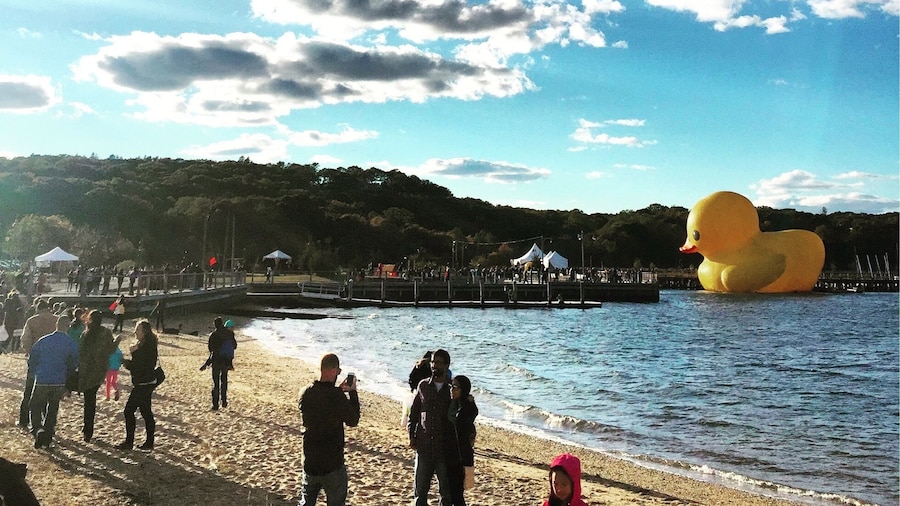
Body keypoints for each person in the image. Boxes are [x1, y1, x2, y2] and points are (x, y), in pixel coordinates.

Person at [298, 353, 360, 506]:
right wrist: (352, 392)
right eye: (338, 371)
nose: (338, 374)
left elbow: (322, 404)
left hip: (311, 460)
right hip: (331, 462)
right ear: (333, 370)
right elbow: (353, 419)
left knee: (307, 501)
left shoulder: (306, 393)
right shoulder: (335, 397)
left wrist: (338, 391)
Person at [408, 348, 454, 506]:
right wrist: (412, 435)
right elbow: (413, 414)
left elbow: (462, 419)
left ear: (447, 366)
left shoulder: (451, 391)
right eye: (433, 362)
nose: (435, 366)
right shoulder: (423, 386)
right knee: (420, 493)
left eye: (439, 363)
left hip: (444, 450)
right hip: (424, 446)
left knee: (446, 494)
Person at [27, 315, 79, 448]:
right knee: (52, 408)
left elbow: (32, 358)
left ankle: (37, 429)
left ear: (56, 325)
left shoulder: (43, 340)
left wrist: (35, 371)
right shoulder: (71, 343)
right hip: (59, 380)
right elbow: (74, 362)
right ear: (68, 327)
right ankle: (48, 437)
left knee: (35, 405)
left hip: (42, 378)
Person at [78, 310, 123, 442]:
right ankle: (88, 431)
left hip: (86, 369)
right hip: (99, 370)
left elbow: (80, 351)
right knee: (91, 400)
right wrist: (118, 340)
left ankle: (86, 429)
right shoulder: (105, 333)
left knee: (88, 400)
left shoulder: (85, 334)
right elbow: (111, 350)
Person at [116, 320, 159, 451]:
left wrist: (128, 359)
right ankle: (149, 443)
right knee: (146, 412)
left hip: (143, 383)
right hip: (146, 382)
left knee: (129, 411)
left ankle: (129, 442)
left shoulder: (147, 346)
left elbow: (139, 366)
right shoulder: (146, 344)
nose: (135, 332)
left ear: (145, 332)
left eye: (138, 329)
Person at [18, 299, 58, 429]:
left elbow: (25, 339)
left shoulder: (32, 320)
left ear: (37, 308)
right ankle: (47, 421)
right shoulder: (56, 320)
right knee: (50, 392)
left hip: (37, 358)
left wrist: (30, 352)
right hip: (54, 360)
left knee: (29, 390)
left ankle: (24, 420)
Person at [447, 375, 478, 506]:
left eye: (455, 387)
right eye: (451, 386)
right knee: (453, 493)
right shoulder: (456, 405)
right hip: (453, 454)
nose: (452, 390)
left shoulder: (467, 408)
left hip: (460, 456)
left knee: (457, 495)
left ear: (463, 389)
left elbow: (462, 428)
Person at [204, 317, 237, 410]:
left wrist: (207, 362)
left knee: (216, 383)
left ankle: (215, 405)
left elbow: (211, 350)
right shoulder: (229, 334)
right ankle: (224, 401)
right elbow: (234, 346)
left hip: (216, 361)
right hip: (226, 361)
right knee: (224, 380)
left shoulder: (213, 335)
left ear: (215, 325)